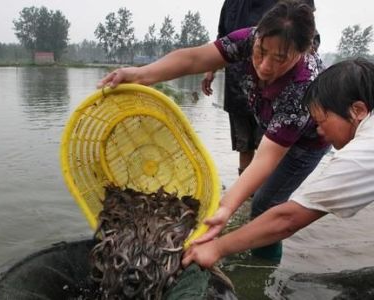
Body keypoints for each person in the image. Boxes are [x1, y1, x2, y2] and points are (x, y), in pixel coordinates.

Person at [98, 0, 330, 261]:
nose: (264, 66)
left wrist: (225, 207)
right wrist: (139, 75)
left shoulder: (303, 86)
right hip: (270, 119)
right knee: (255, 192)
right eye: (261, 52)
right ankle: (248, 241)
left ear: (302, 52)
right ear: (258, 37)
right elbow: (194, 58)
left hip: (308, 142)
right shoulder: (250, 38)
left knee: (265, 205)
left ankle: (264, 268)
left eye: (279, 59)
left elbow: (267, 156)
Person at [182, 58, 374, 268]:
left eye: (320, 122)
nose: (319, 131)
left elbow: (287, 219)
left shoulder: (362, 154)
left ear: (358, 110)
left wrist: (216, 248)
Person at [202, 0, 277, 177]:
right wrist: (211, 68)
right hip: (236, 83)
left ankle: (263, 195)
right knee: (244, 144)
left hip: (269, 86)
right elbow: (222, 38)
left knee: (268, 144)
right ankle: (245, 194)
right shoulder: (231, 3)